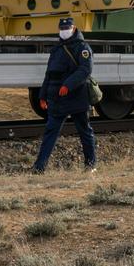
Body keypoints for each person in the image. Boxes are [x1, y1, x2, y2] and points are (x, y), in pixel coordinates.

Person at [31, 17, 97, 173]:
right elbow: (49, 74)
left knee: (84, 131)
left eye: (67, 27)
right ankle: (39, 168)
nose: (64, 30)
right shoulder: (56, 49)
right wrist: (42, 95)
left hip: (76, 96)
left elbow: (85, 70)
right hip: (56, 98)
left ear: (74, 29)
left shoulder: (83, 48)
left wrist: (68, 85)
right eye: (62, 28)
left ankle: (91, 165)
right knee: (50, 132)